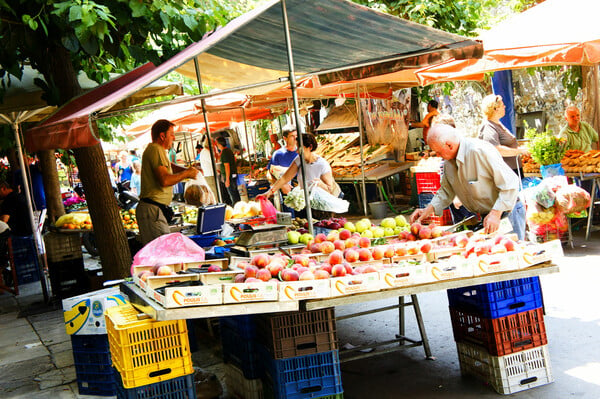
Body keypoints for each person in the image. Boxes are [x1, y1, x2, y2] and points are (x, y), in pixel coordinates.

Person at [410, 124, 526, 240]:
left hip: (507, 211)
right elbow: (446, 191)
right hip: (488, 215)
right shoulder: (448, 163)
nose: (438, 156)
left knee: (512, 253)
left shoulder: (479, 151)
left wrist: (496, 213)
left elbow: (510, 183)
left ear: (450, 145)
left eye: (438, 152)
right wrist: (427, 210)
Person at [137, 119, 198, 244]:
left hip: (154, 210)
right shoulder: (156, 149)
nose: (174, 138)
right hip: (152, 210)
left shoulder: (157, 150)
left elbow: (169, 167)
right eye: (171, 134)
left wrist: (189, 170)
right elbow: (164, 180)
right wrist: (187, 173)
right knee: (162, 251)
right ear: (162, 135)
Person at [264, 133, 339, 201]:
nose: (297, 151)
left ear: (310, 147)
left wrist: (320, 184)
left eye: (300, 148)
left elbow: (330, 190)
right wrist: (269, 192)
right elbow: (284, 179)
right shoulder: (299, 160)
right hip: (307, 204)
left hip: (322, 207)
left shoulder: (322, 165)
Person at [479, 94, 529, 175]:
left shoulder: (498, 124)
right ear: (495, 109)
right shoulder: (488, 127)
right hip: (505, 172)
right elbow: (496, 149)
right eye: (502, 105)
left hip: (513, 169)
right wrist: (519, 151)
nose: (504, 107)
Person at [215, 137, 240, 206]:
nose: (216, 145)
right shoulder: (227, 151)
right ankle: (238, 206)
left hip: (229, 176)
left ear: (219, 144)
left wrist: (227, 180)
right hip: (232, 174)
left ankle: (236, 207)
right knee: (235, 193)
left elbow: (227, 166)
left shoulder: (225, 153)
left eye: (216, 144)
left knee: (233, 194)